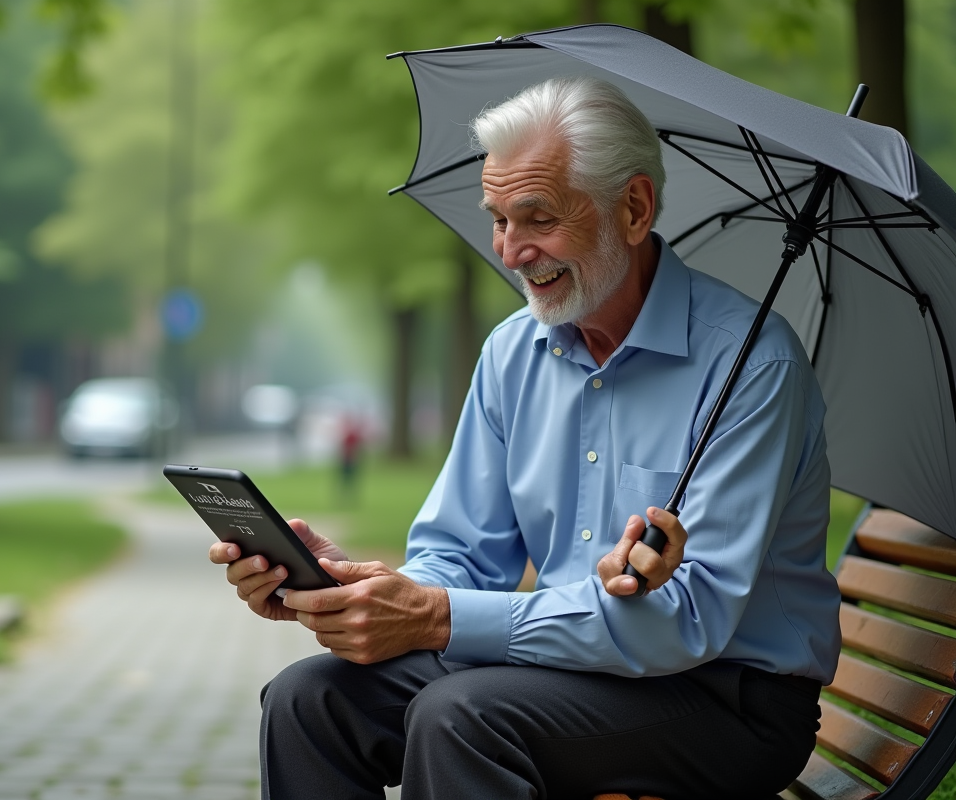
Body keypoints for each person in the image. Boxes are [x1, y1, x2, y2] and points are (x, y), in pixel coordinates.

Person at [209, 76, 841, 800]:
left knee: (460, 717)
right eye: (498, 219)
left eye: (536, 218)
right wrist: (352, 589)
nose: (510, 251)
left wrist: (438, 619)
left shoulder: (752, 364)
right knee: (309, 700)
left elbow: (687, 620)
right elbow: (460, 555)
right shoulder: (513, 352)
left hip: (727, 697)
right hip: (563, 666)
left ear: (633, 209)